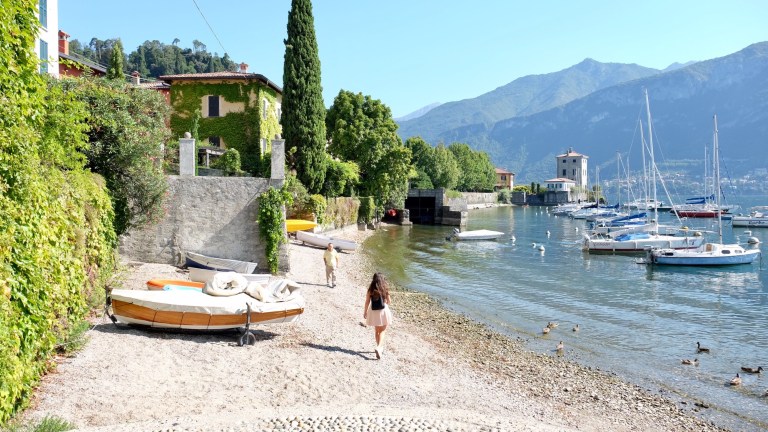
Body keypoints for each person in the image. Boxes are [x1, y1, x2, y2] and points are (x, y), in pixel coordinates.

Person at [363, 272, 393, 359]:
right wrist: (385, 299)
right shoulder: (385, 288)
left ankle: (379, 348)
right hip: (383, 311)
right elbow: (389, 301)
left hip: (373, 312)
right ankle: (379, 347)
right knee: (383, 331)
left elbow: (367, 301)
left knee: (377, 331)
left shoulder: (370, 289)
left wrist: (365, 312)